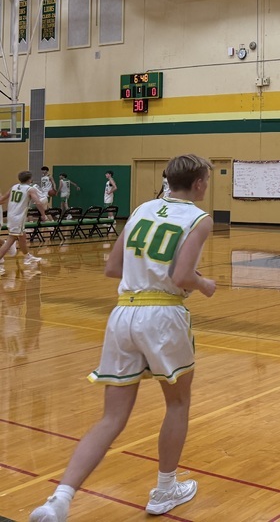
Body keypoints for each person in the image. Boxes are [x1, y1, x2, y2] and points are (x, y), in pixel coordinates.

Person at [29, 154, 216, 522]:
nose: (206, 186)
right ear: (198, 184)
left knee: (111, 418)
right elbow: (181, 277)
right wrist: (204, 284)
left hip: (123, 313)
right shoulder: (199, 219)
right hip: (163, 315)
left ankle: (58, 500)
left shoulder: (142, 209)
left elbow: (112, 268)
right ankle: (165, 489)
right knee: (178, 404)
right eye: (206, 181)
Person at [0, 171, 47, 270]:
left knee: (22, 237)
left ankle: (27, 256)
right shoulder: (30, 189)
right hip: (18, 218)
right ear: (30, 179)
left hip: (11, 216)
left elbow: (2, 199)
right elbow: (38, 202)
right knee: (10, 241)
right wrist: (43, 214)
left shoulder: (14, 187)